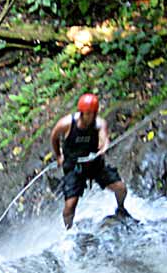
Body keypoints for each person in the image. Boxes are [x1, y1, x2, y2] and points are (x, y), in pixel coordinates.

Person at [50, 93, 129, 229]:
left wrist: (103, 147)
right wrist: (58, 156)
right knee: (70, 205)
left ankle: (121, 209)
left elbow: (104, 139)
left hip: (95, 165)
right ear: (81, 113)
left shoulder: (99, 124)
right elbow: (54, 137)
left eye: (93, 113)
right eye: (88, 114)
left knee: (121, 188)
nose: (91, 117)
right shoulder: (66, 124)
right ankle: (68, 229)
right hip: (74, 168)